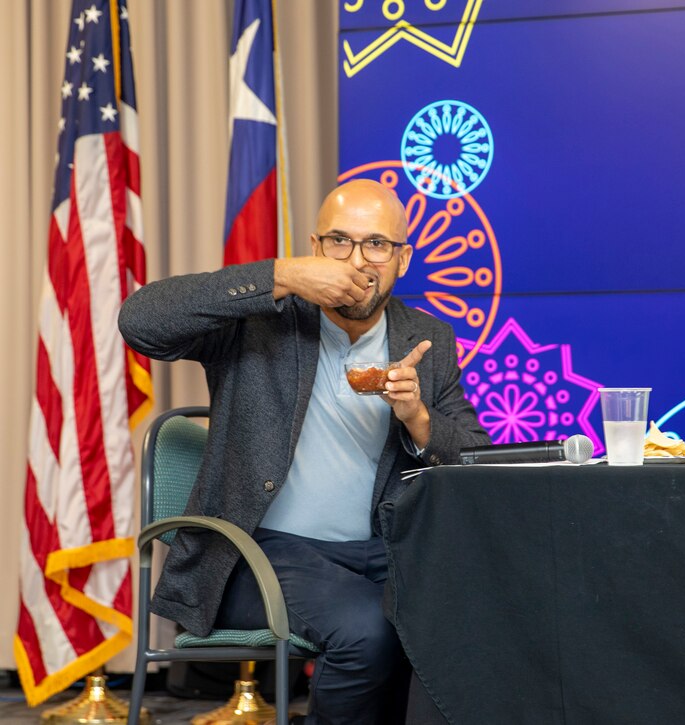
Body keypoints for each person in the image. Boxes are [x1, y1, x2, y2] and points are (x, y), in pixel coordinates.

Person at [119, 179, 490, 723]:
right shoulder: (258, 322)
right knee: (368, 632)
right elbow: (140, 321)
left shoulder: (425, 339)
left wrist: (419, 420)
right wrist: (280, 275)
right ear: (315, 249)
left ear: (402, 259)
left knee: (458, 624)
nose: (358, 260)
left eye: (377, 245)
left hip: (383, 553)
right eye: (339, 241)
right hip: (256, 553)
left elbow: (475, 458)